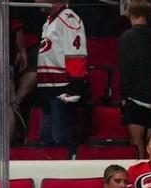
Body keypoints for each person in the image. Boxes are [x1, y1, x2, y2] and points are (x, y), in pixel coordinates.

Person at [36, 0, 88, 156]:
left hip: (61, 90)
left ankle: (67, 177)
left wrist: (74, 87)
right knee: (47, 142)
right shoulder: (49, 20)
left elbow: (76, 53)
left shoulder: (68, 18)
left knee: (61, 142)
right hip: (48, 88)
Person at [118, 0, 151, 157]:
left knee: (137, 143)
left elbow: (126, 68)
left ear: (132, 15)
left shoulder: (127, 37)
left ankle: (142, 177)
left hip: (135, 96)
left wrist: (124, 96)